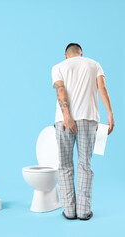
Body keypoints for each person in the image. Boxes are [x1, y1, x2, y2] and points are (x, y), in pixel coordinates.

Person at [52, 43, 115, 220]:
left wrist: (67, 116)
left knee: (64, 165)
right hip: (89, 118)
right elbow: (102, 88)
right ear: (82, 54)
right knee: (85, 165)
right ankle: (83, 211)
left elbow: (60, 90)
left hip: (63, 121)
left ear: (66, 56)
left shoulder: (58, 67)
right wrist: (110, 113)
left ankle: (69, 211)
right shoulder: (94, 64)